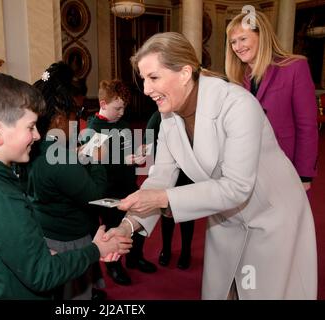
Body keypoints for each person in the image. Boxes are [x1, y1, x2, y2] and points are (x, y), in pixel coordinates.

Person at [107, 32, 317, 299]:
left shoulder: (237, 104)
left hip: (272, 216)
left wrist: (160, 198)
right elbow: (159, 181)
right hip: (226, 219)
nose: (146, 89)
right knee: (223, 291)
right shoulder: (168, 118)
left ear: (184, 73)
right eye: (144, 79)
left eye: (154, 77)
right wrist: (126, 228)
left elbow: (238, 186)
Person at [0, 72, 132, 300]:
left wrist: (46, 253)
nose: (38, 135)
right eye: (30, 127)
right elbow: (41, 274)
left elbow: (13, 253)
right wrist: (96, 250)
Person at [26, 62, 107, 300]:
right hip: (69, 240)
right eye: (77, 114)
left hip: (46, 229)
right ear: (61, 118)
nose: (79, 120)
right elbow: (97, 195)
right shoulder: (59, 157)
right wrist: (97, 159)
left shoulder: (35, 145)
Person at [225, 11, 318, 191]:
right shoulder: (236, 77)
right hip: (246, 169)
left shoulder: (295, 67)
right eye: (233, 42)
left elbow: (307, 126)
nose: (237, 47)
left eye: (243, 39)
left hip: (284, 166)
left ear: (262, 36)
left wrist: (304, 174)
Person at [82, 79, 157, 286]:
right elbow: (93, 165)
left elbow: (127, 153)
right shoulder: (93, 128)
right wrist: (123, 161)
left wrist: (137, 155)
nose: (122, 112)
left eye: (124, 107)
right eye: (118, 108)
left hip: (128, 183)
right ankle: (114, 267)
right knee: (114, 227)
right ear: (103, 104)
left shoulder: (122, 124)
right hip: (107, 190)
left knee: (138, 220)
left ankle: (135, 258)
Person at [146, 111, 194, 269]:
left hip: (188, 173)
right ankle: (166, 249)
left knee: (187, 214)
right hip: (168, 172)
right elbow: (148, 140)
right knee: (167, 215)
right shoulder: (158, 116)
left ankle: (186, 251)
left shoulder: (190, 113)